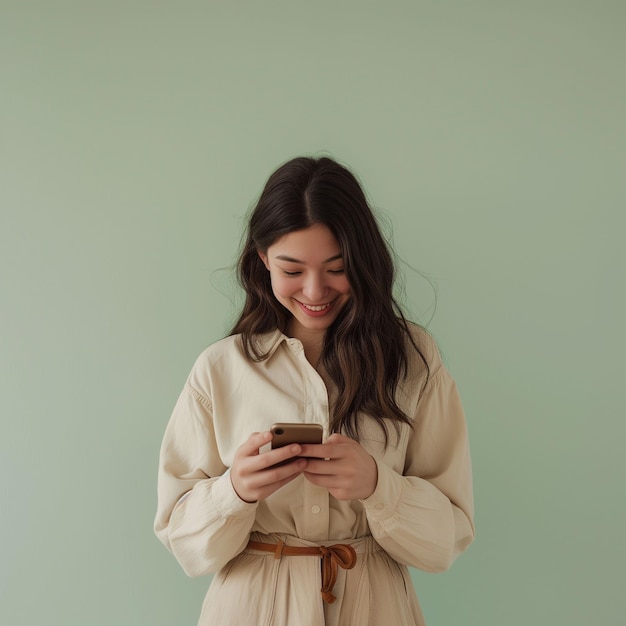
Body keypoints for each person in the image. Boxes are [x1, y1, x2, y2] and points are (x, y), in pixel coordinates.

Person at [154, 156, 475, 626]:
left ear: (362, 260)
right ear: (262, 259)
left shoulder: (412, 360)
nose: (314, 289)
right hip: (251, 608)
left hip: (375, 608)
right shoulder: (220, 370)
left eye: (336, 267)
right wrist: (235, 491)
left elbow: (448, 539)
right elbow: (182, 542)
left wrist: (377, 487)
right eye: (291, 269)